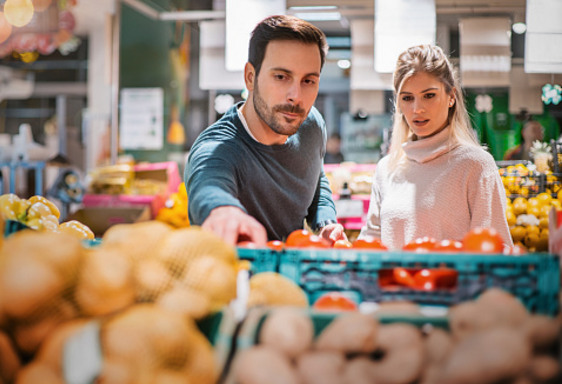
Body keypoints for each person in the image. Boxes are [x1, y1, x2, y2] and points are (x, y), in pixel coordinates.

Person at [184, 15, 346, 246]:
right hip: (236, 277)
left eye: (308, 81)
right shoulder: (220, 148)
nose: (296, 96)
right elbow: (208, 185)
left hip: (291, 277)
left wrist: (325, 222)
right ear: (251, 77)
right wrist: (223, 210)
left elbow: (315, 178)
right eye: (281, 77)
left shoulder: (311, 124)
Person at [358, 44, 512, 250]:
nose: (417, 109)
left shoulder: (475, 165)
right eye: (407, 98)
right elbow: (371, 244)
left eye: (429, 95)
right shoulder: (387, 169)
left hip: (453, 282)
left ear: (451, 97)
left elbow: (494, 249)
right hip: (395, 282)